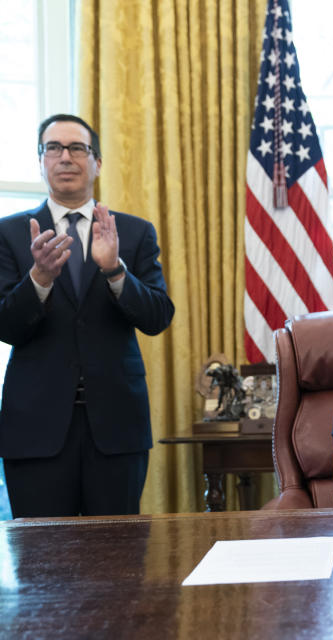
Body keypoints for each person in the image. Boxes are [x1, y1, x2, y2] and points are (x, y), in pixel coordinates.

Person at [0, 114, 175, 518]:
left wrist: (115, 270)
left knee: (117, 561)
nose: (65, 157)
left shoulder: (133, 233)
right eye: (54, 148)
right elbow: (5, 325)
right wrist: (39, 279)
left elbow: (157, 317)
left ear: (96, 162)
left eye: (77, 148)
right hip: (35, 428)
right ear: (40, 161)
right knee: (41, 565)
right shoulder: (10, 234)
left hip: (116, 426)